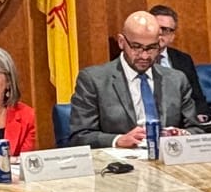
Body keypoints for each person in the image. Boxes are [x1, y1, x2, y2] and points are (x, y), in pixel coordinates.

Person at [67, 10, 202, 148]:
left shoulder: (177, 79)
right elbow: (80, 136)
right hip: (120, 162)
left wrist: (182, 134)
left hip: (169, 158)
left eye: (151, 48)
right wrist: (117, 140)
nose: (144, 56)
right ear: (121, 42)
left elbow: (196, 130)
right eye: (136, 47)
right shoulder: (94, 80)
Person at [150, 4, 206, 115]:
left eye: (165, 30)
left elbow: (197, 96)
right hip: (151, 119)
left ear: (172, 36)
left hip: (184, 119)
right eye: (157, 28)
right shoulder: (138, 59)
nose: (160, 33)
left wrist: (201, 115)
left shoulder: (183, 60)